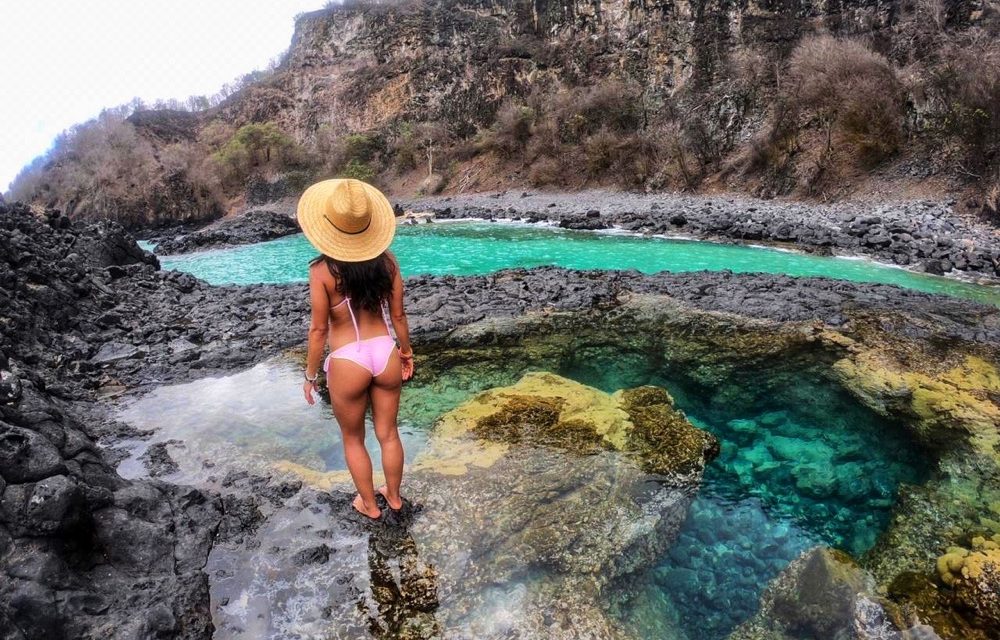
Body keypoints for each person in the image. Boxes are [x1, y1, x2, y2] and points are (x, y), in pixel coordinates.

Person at [298, 178, 414, 520]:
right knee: (389, 434)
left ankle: (369, 505)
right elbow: (398, 315)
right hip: (384, 351)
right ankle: (394, 498)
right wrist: (406, 352)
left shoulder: (321, 271)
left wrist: (310, 375)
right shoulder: (388, 262)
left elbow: (319, 329)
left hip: (348, 359)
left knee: (353, 439)